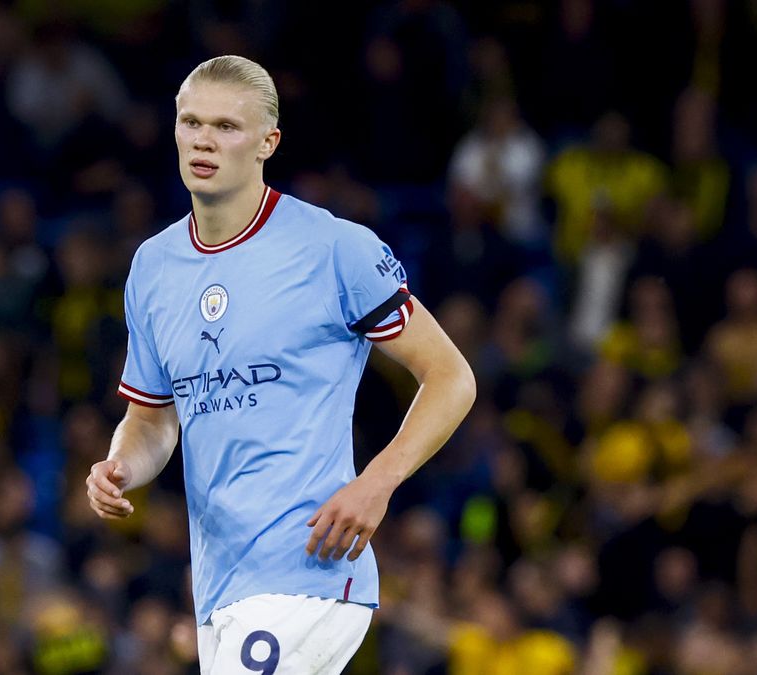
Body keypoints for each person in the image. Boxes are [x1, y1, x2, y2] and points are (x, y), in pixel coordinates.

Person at [85, 55, 476, 674]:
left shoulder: (334, 249)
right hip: (218, 588)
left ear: (268, 142)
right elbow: (154, 419)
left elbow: (452, 377)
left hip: (310, 573)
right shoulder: (153, 268)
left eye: (226, 126)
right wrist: (120, 466)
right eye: (191, 123)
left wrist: (378, 482)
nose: (204, 140)